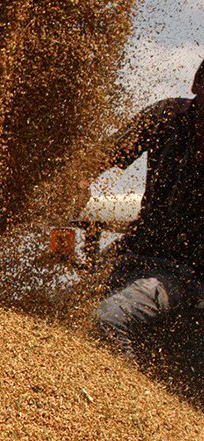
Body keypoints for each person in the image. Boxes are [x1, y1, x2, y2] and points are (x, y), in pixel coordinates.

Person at [93, 57, 204, 356]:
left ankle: (128, 395)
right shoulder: (167, 116)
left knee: (107, 319)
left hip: (187, 273)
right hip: (134, 250)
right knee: (63, 306)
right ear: (197, 84)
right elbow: (105, 153)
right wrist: (79, 179)